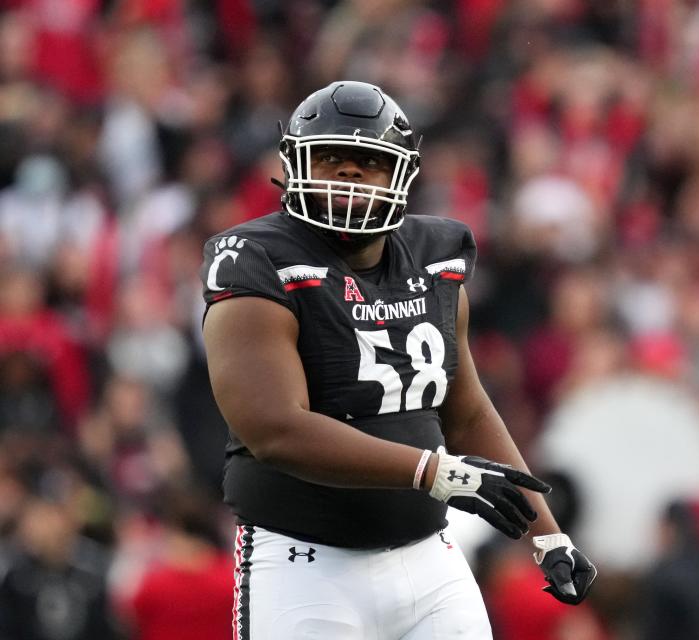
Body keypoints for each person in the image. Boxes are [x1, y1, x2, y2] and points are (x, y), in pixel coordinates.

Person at [200, 80, 597, 639]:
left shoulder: (437, 255)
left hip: (429, 559)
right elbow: (273, 429)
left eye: (368, 161)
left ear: (403, 175)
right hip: (304, 565)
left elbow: (466, 410)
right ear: (292, 167)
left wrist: (547, 534)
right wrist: (431, 470)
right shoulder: (257, 260)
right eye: (331, 158)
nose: (349, 174)